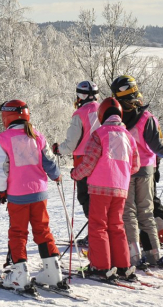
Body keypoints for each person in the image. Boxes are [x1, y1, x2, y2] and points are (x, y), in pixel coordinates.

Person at [0, 100, 64, 291]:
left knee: (18, 232)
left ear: (7, 117)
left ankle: (19, 275)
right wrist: (56, 175)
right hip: (39, 193)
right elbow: (49, 160)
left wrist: (0, 190)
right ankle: (53, 273)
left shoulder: (3, 138)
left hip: (18, 194)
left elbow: (0, 168)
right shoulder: (37, 135)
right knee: (42, 230)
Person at [71, 97, 140, 281]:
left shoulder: (99, 134)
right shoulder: (128, 137)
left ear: (102, 115)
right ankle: (123, 265)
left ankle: (101, 266)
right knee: (117, 226)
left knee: (98, 226)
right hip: (121, 189)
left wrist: (75, 174)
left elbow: (89, 163)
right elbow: (135, 165)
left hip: (100, 188)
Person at [111, 75, 163, 268]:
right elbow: (158, 147)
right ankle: (154, 253)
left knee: (128, 214)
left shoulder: (116, 118)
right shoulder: (146, 118)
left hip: (124, 171)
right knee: (146, 212)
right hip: (146, 170)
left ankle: (134, 256)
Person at [53, 80, 100, 247]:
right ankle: (101, 232)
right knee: (99, 198)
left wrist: (59, 149)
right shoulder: (104, 110)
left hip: (84, 159)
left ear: (81, 95)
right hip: (103, 161)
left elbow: (72, 142)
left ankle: (95, 234)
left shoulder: (80, 113)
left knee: (85, 197)